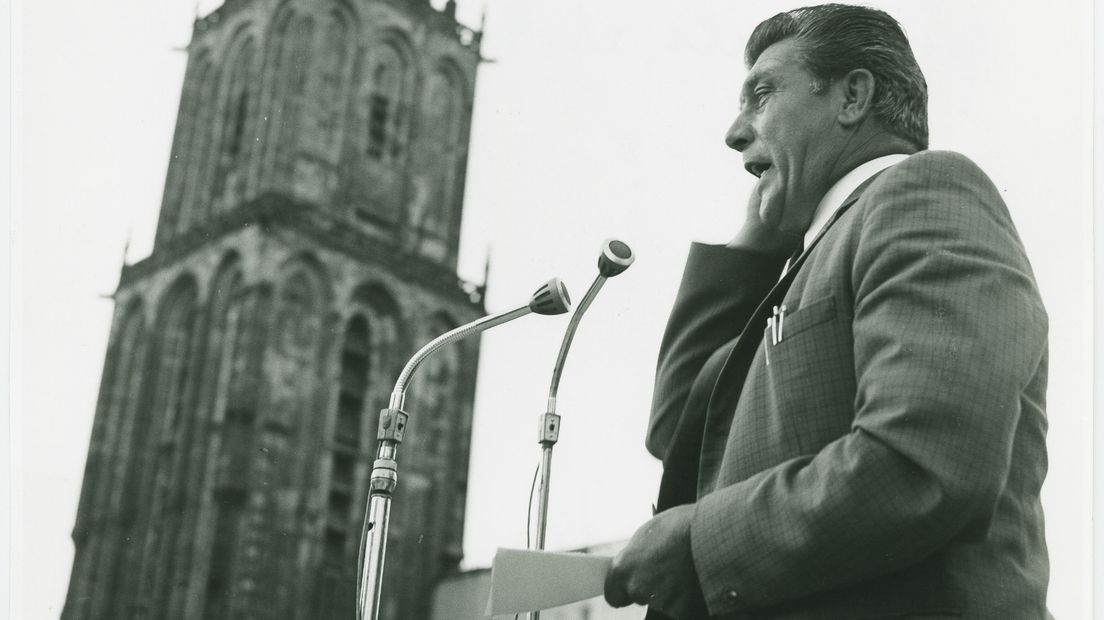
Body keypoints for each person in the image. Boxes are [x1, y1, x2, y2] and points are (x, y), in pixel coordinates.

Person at [603, 4, 1049, 619]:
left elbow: (922, 465)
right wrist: (753, 243)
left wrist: (701, 544)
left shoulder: (924, 192)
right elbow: (684, 438)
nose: (734, 132)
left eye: (761, 94)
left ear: (852, 97)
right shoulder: (810, 257)